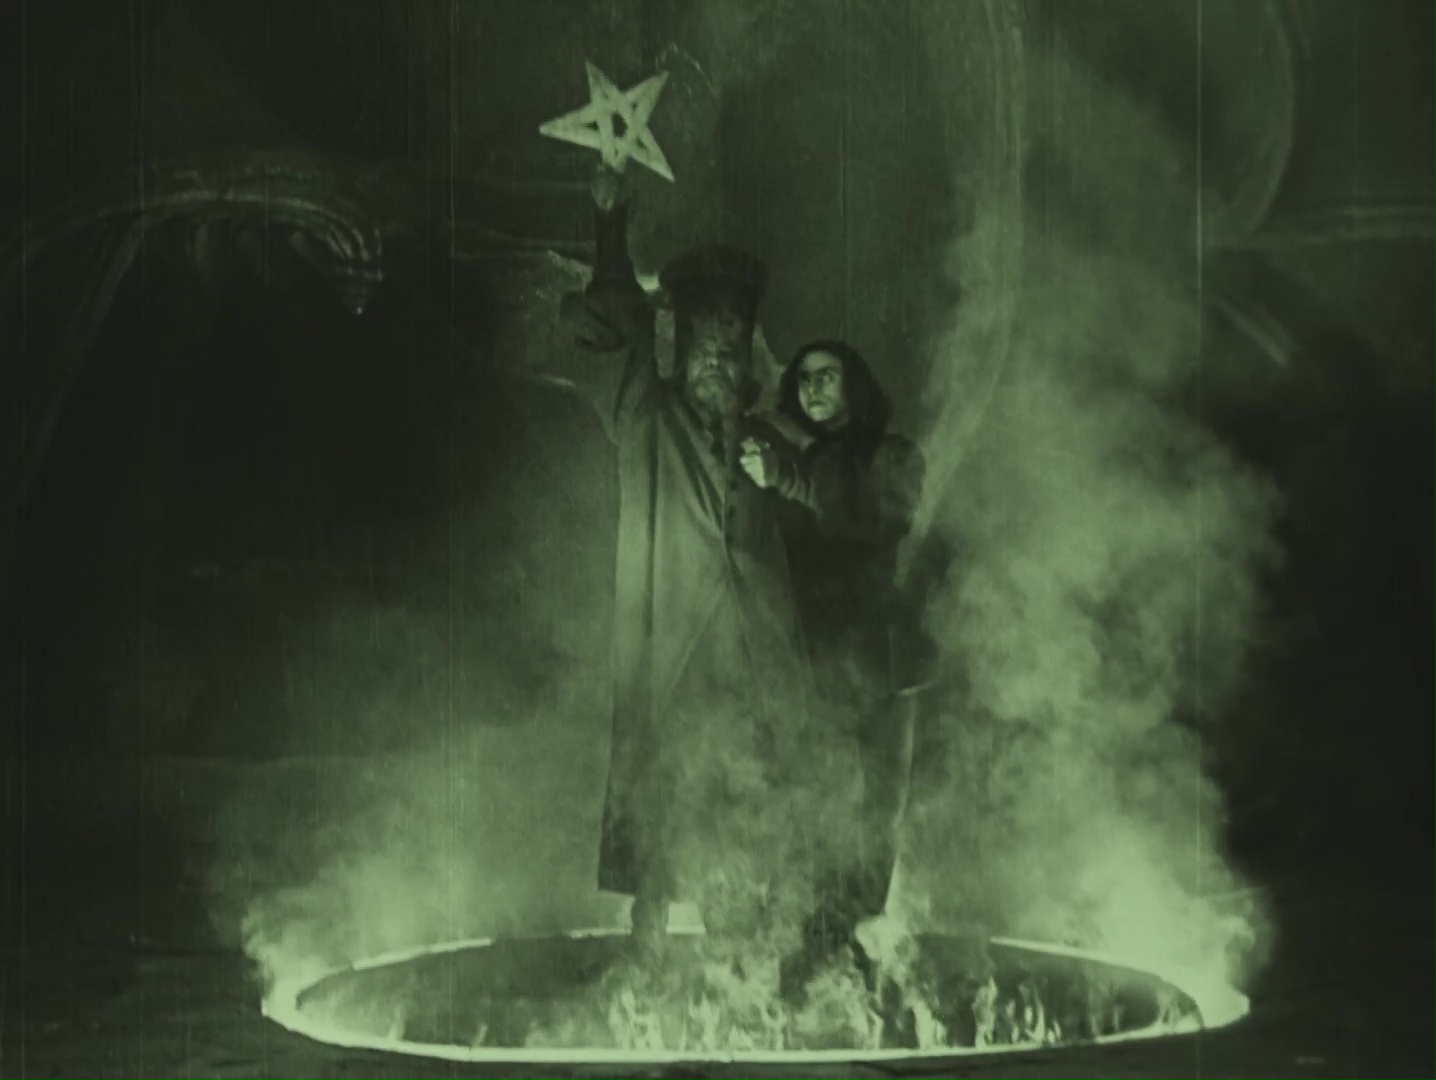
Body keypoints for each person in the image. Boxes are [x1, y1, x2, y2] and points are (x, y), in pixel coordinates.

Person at [560, 163, 812, 959]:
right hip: (674, 653)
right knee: (664, 790)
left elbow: (828, 513)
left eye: (728, 352)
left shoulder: (771, 441)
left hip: (758, 660)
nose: (715, 364)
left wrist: (786, 478)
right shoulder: (648, 416)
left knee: (754, 794)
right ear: (681, 351)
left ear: (747, 362)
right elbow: (614, 323)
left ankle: (748, 954)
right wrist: (610, 226)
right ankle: (651, 952)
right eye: (702, 349)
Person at [739, 339, 927, 1000]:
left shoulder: (894, 454)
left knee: (876, 812)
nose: (813, 387)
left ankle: (860, 951)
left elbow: (876, 527)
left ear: (858, 384)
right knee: (817, 803)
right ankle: (819, 954)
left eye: (828, 375)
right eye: (804, 378)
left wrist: (788, 476)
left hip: (881, 660)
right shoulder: (802, 459)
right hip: (816, 663)